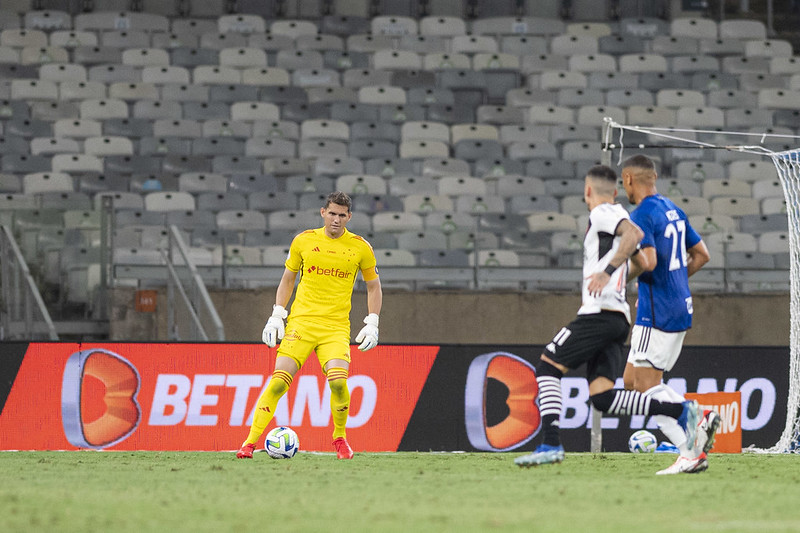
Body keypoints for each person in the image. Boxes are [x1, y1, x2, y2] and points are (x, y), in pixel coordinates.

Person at [515, 165, 702, 468]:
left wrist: (607, 271)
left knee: (547, 367)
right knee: (602, 398)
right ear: (615, 190)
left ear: (588, 191)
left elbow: (635, 234)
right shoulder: (617, 214)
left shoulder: (602, 213)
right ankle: (680, 411)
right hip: (618, 319)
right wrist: (618, 277)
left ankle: (550, 443)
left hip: (598, 314)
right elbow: (642, 261)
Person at [236, 191, 383, 460]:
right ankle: (248, 443)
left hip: (335, 327)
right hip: (302, 323)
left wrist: (373, 321)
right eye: (332, 213)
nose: (336, 219)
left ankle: (339, 439)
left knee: (339, 383)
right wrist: (277, 314)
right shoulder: (304, 241)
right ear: (323, 212)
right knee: (279, 382)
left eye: (342, 215)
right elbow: (288, 278)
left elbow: (373, 286)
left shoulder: (360, 247)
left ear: (349, 217)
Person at [620, 154, 718, 475]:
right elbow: (701, 255)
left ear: (629, 179)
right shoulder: (673, 209)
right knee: (632, 381)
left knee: (648, 389)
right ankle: (692, 442)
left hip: (657, 312)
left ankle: (692, 430)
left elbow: (646, 260)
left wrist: (616, 280)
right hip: (677, 306)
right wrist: (673, 284)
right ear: (655, 177)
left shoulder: (642, 215)